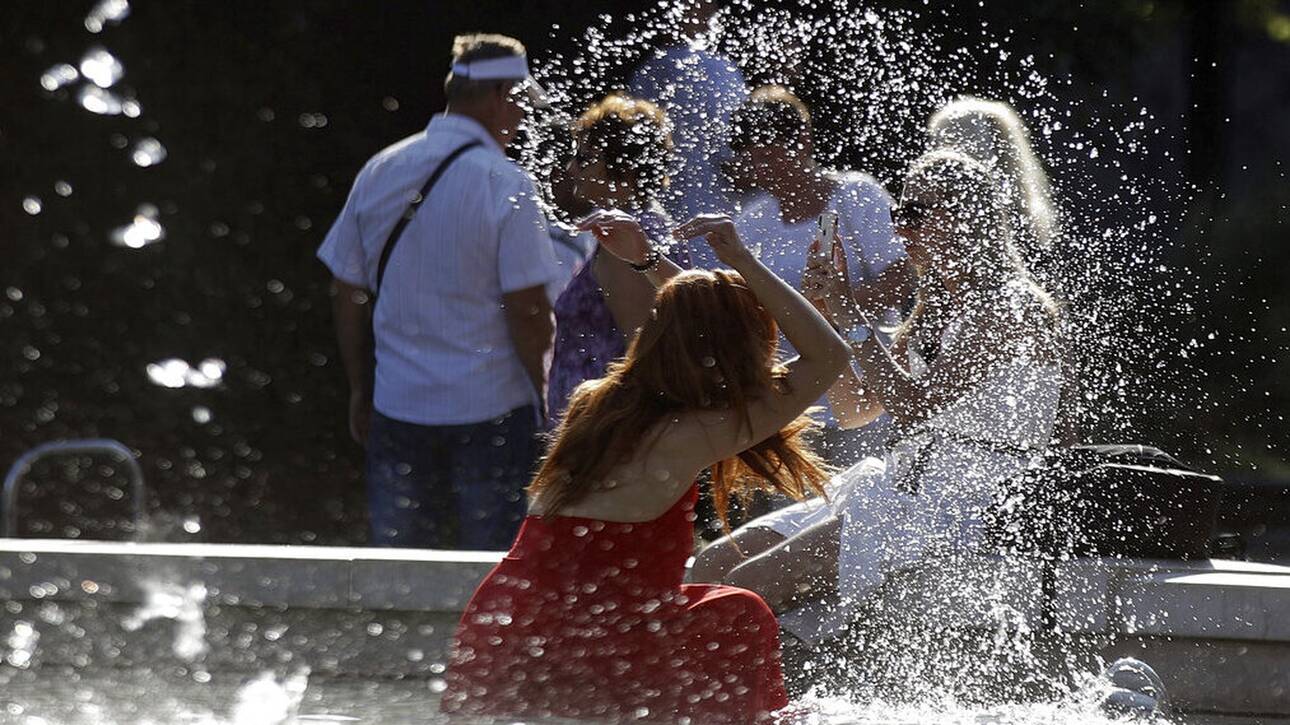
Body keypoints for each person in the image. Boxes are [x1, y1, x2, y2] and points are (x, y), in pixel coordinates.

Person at [441, 211, 851, 722]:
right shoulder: (693, 433)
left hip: (503, 627)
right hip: (594, 643)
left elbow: (698, 324)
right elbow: (829, 355)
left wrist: (650, 263)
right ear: (739, 353)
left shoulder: (596, 404)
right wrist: (740, 259)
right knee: (739, 612)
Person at [689, 150, 1064, 641]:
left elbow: (912, 406)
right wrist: (832, 317)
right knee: (712, 562)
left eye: (913, 213)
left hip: (962, 505)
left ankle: (733, 703)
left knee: (745, 587)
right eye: (896, 214)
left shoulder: (1014, 308)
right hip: (898, 488)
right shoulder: (932, 309)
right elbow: (854, 412)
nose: (898, 229)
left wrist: (854, 318)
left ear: (964, 217)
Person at [317, 34, 560, 550]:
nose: (522, 119)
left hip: (399, 406)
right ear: (500, 96)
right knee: (492, 575)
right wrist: (545, 395)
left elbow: (346, 290)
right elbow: (529, 307)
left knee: (401, 574)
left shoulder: (382, 167)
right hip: (492, 410)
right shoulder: (505, 182)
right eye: (521, 103)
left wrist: (361, 386)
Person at [723, 85, 913, 462]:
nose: (763, 167)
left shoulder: (855, 196)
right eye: (754, 158)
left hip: (864, 387)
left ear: (803, 143)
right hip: (790, 400)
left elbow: (904, 277)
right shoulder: (752, 222)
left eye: (771, 154)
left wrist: (832, 309)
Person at [546, 94, 690, 426]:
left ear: (623, 172)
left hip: (609, 434)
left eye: (584, 159)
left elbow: (642, 354)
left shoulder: (626, 242)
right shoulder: (639, 228)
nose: (571, 169)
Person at [629, 0, 748, 221]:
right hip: (715, 214)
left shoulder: (646, 73)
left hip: (660, 213)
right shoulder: (719, 70)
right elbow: (736, 155)